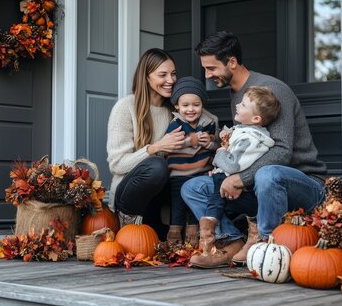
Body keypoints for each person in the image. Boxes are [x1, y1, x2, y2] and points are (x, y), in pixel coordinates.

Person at [182, 31, 327, 268]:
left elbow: (281, 151)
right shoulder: (237, 94)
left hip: (302, 184)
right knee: (193, 187)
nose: (207, 75)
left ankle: (268, 249)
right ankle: (230, 241)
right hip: (257, 187)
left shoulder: (270, 89)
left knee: (267, 174)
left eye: (211, 68)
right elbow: (248, 146)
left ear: (232, 62)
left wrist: (240, 178)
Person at [106, 48, 186, 236]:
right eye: (162, 75)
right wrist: (155, 148)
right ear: (147, 77)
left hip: (158, 196)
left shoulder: (174, 111)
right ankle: (127, 226)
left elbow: (206, 119)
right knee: (157, 165)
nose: (171, 80)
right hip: (128, 194)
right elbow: (117, 165)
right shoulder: (126, 107)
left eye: (173, 74)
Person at [199, 86, 280, 257]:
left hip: (244, 190)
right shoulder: (244, 131)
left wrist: (219, 153)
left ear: (256, 118)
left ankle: (212, 229)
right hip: (230, 184)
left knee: (216, 197)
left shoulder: (250, 139)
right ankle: (214, 229)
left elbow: (233, 165)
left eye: (243, 105)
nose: (237, 105)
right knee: (210, 193)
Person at [164, 76, 220, 246]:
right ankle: (174, 233)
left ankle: (194, 234)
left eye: (196, 105)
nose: (191, 110)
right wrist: (191, 140)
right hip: (179, 173)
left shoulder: (209, 122)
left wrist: (209, 142)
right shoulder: (175, 124)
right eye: (185, 105)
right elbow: (172, 144)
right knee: (179, 205)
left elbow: (217, 146)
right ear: (177, 106)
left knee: (195, 205)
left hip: (201, 172)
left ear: (202, 104)